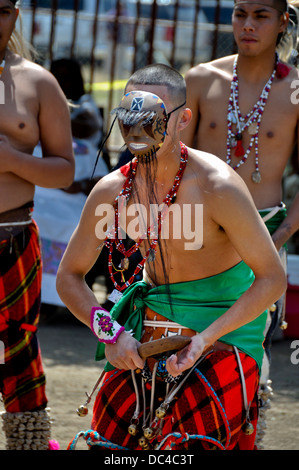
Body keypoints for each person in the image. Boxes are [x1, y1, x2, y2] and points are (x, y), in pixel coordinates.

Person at [56, 63, 286, 451]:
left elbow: (271, 278)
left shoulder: (218, 185)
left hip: (223, 333)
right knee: (109, 445)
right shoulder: (112, 190)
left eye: (152, 116)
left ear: (183, 120)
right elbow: (69, 276)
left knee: (189, 445)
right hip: (146, 331)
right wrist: (110, 332)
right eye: (130, 114)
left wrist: (205, 340)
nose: (138, 125)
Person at [181, 0, 299, 447]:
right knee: (182, 339)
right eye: (239, 14)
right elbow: (174, 163)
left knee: (247, 355)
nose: (247, 26)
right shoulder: (200, 79)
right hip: (197, 237)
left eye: (261, 16)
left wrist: (279, 238)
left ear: (283, 20)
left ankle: (239, 437)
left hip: (265, 236)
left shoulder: (295, 89)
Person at [0, 0, 74, 450]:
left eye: (4, 10)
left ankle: (27, 444)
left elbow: (64, 171)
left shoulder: (38, 82)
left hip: (12, 238)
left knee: (20, 353)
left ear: (17, 15)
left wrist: (11, 160)